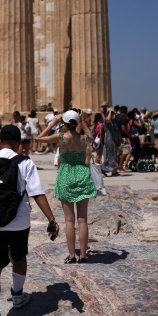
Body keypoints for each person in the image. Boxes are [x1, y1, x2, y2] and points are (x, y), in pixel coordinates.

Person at [0, 124, 59, 316]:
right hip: (19, 222)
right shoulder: (25, 162)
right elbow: (37, 193)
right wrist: (51, 219)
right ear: (19, 143)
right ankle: (17, 296)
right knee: (19, 258)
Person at [38, 111, 95, 263]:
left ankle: (71, 256)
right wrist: (83, 122)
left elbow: (39, 138)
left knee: (69, 221)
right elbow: (91, 137)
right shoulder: (84, 139)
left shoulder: (61, 137)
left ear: (65, 123)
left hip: (66, 176)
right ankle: (83, 256)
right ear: (77, 122)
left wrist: (52, 123)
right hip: (82, 175)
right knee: (82, 220)